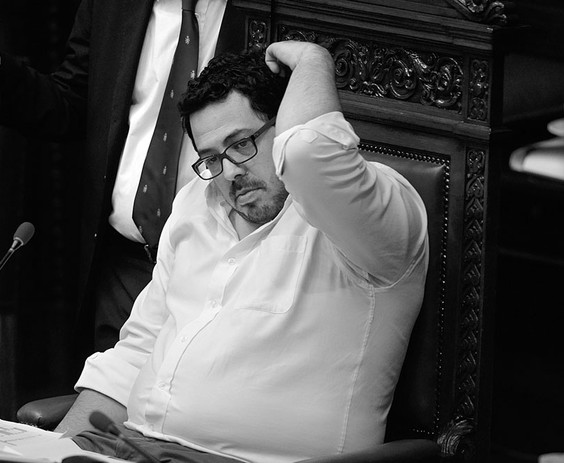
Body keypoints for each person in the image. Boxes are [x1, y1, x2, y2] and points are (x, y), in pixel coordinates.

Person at [47, 40, 429, 462]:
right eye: (211, 157)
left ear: (285, 125)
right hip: (129, 446)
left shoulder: (376, 216)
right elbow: (138, 351)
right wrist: (49, 453)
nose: (229, 172)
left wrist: (313, 60)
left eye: (242, 143)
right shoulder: (196, 202)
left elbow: (308, 156)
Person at [0, 0, 245, 358]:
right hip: (124, 269)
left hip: (221, 272)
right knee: (106, 406)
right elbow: (72, 102)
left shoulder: (273, 14)